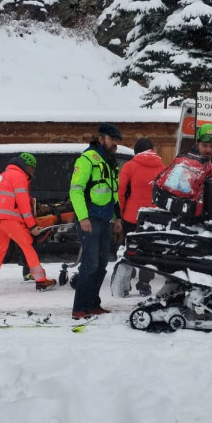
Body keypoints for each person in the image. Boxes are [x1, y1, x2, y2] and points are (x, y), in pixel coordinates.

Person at [0, 153, 56, 295]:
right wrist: (32, 226)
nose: (33, 172)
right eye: (32, 169)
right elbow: (23, 204)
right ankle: (41, 281)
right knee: (27, 245)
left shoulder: (2, 176)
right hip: (8, 218)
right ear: (27, 166)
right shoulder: (19, 176)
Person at [70, 123, 123, 319]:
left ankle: (93, 303)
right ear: (101, 139)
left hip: (105, 219)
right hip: (90, 219)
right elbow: (76, 190)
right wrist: (83, 217)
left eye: (117, 140)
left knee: (101, 264)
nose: (115, 144)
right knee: (90, 264)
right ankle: (79, 307)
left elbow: (113, 193)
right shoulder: (87, 159)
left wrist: (117, 218)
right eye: (112, 140)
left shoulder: (110, 161)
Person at [118, 137, 165, 296]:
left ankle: (126, 282)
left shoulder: (129, 166)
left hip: (131, 217)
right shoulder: (163, 168)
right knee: (148, 251)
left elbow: (121, 193)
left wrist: (120, 213)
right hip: (153, 217)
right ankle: (144, 284)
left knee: (129, 249)